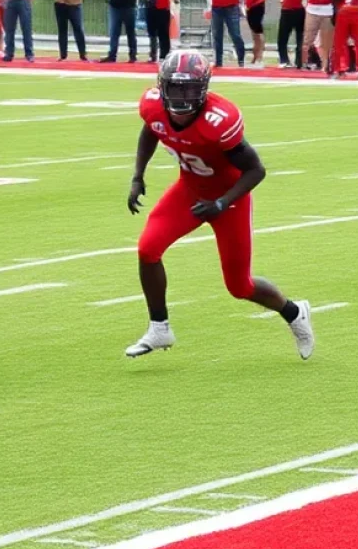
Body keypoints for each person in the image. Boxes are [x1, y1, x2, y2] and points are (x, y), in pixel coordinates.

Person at [125, 50, 314, 359]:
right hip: (189, 190)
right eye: (173, 87)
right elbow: (152, 129)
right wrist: (138, 175)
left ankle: (295, 313)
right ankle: (159, 327)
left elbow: (256, 170)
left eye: (188, 88)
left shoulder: (219, 119)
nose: (180, 95)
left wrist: (223, 203)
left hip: (230, 198)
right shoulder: (153, 106)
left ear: (203, 88)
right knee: (148, 248)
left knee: (239, 286)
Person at [277, 0, 306, 68]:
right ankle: (284, 60)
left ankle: (299, 61)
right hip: (287, 9)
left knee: (301, 37)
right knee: (282, 37)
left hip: (300, 9)